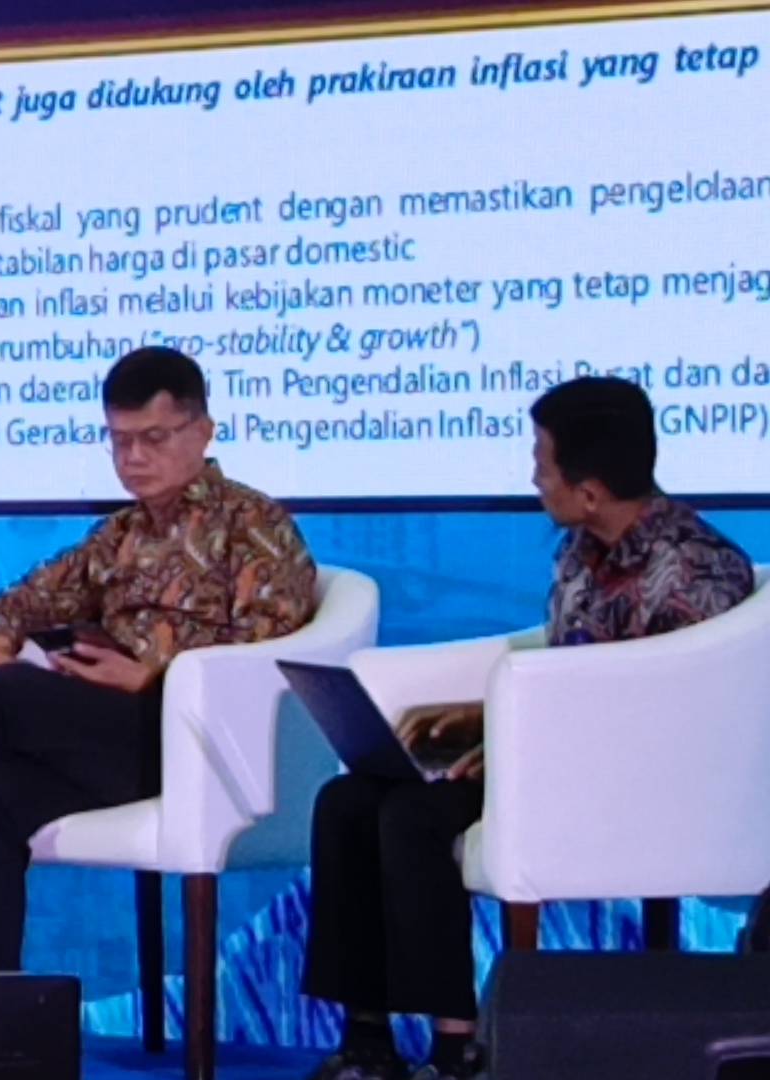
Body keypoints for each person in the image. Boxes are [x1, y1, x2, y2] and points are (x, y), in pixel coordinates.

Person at [0, 346, 318, 970]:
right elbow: (11, 604)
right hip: (104, 738)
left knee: (9, 694)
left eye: (153, 438)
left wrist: (155, 676)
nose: (134, 457)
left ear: (202, 431)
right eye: (120, 441)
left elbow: (267, 645)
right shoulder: (118, 535)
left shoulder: (253, 523)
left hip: (200, 746)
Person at [299, 376, 754, 1080]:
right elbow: (565, 664)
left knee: (415, 817)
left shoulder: (697, 568)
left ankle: (455, 1046)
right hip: (548, 750)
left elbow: (669, 710)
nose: (535, 478)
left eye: (543, 462)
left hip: (635, 779)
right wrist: (474, 723)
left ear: (591, 489)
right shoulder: (578, 550)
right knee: (350, 800)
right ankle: (367, 1038)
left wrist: (519, 739)